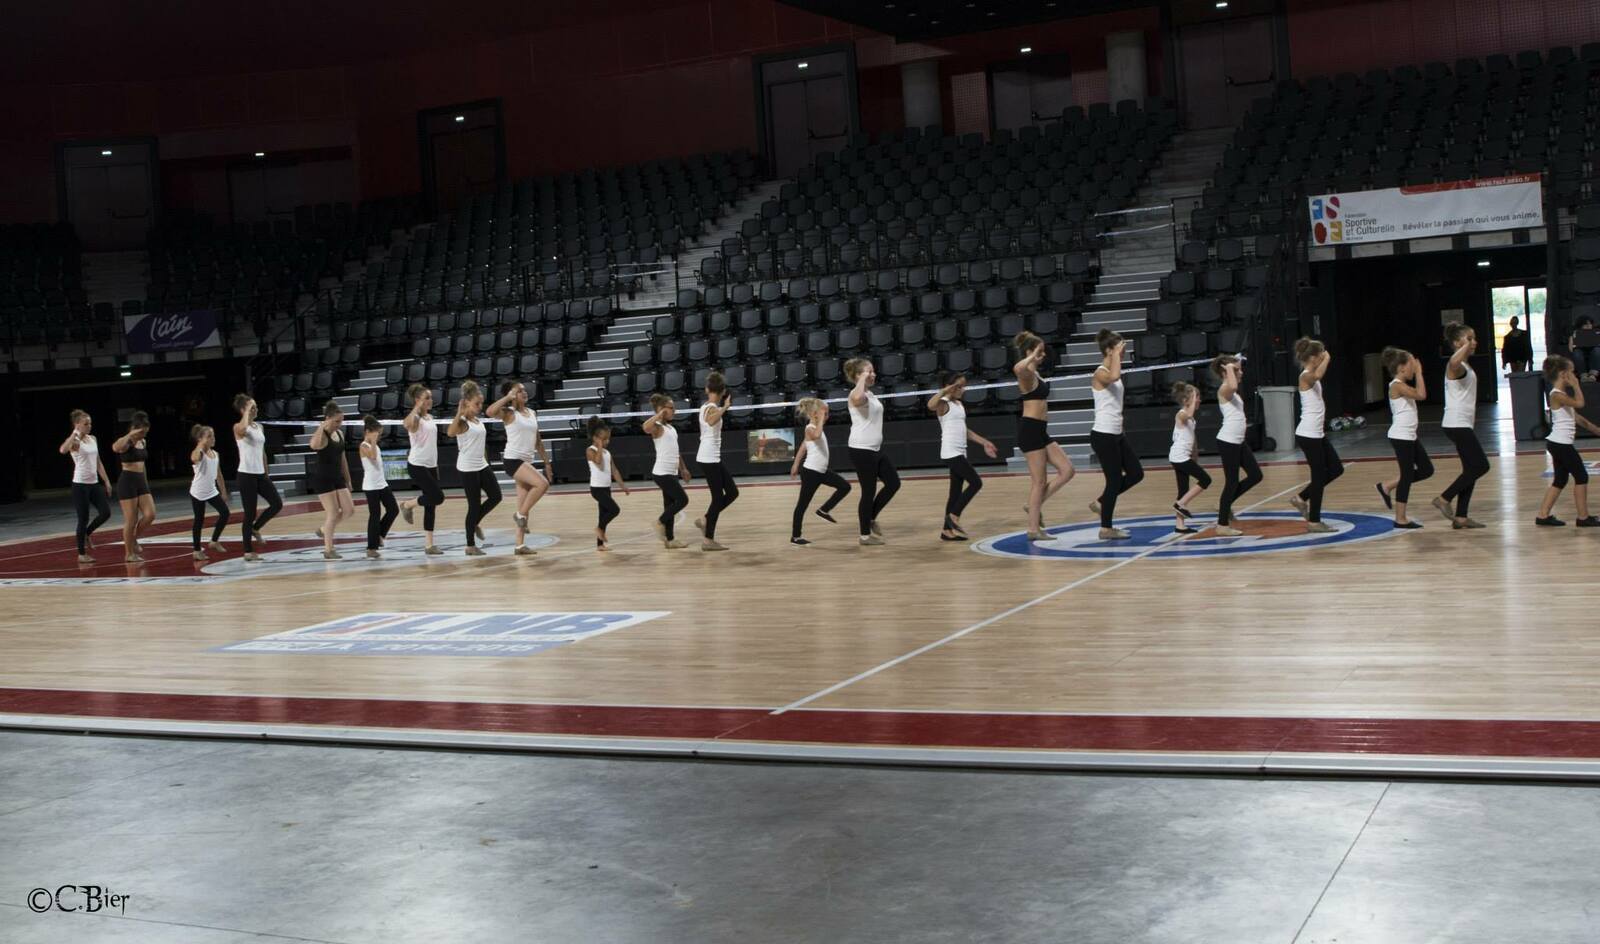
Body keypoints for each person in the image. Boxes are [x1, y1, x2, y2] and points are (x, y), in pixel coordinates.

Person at [1012, 331, 1075, 540]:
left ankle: (1032, 505)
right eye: (1040, 351)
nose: (1043, 354)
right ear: (1029, 352)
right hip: (1030, 430)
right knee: (1039, 482)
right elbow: (1017, 368)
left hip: (1040, 430)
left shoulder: (1035, 373)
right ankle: (1032, 529)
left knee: (1067, 470)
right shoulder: (1026, 373)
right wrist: (1032, 355)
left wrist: (1034, 354)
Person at [927, 372, 998, 541]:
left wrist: (984, 442)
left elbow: (965, 431)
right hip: (950, 452)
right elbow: (930, 405)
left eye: (963, 386)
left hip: (960, 452)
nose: (963, 390)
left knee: (955, 493)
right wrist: (945, 390)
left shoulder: (959, 404)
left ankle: (946, 531)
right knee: (976, 482)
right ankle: (954, 517)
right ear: (949, 387)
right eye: (959, 386)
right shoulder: (943, 403)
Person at [1432, 322, 1489, 529]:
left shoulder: (1465, 365)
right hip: (1456, 424)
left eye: (1474, 339)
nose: (1474, 342)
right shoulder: (1456, 366)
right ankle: (1444, 498)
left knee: (1470, 469)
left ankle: (1461, 517)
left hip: (1461, 423)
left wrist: (1465, 345)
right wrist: (1464, 347)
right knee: (1481, 466)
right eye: (1469, 339)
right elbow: (1453, 361)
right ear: (1457, 343)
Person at [1088, 329, 1142, 540]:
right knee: (1114, 480)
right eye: (1120, 348)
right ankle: (1106, 528)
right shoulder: (1100, 373)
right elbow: (1114, 376)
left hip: (1116, 433)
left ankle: (1101, 502)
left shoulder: (1112, 370)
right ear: (1109, 350)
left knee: (1136, 473)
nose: (1123, 351)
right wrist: (1116, 355)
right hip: (1103, 435)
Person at [1535, 355, 1600, 527]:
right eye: (1572, 372)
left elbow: (1577, 417)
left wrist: (1596, 429)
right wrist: (1577, 385)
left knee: (1560, 480)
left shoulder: (1561, 395)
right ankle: (1583, 517)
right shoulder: (1556, 395)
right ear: (1563, 374)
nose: (1574, 375)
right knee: (1581, 476)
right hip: (1561, 444)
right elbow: (1580, 404)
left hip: (1558, 444)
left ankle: (1542, 516)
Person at [487, 380, 549, 556]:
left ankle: (519, 545)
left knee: (524, 502)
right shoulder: (508, 413)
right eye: (520, 391)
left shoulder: (532, 412)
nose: (524, 392)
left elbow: (538, 441)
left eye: (524, 390)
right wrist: (507, 397)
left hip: (526, 462)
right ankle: (519, 515)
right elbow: (490, 412)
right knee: (542, 484)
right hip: (513, 460)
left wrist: (547, 462)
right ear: (513, 395)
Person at [1376, 347, 1433, 529]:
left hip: (1409, 436)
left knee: (1426, 470)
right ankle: (1400, 518)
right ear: (1401, 367)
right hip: (1401, 436)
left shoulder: (1401, 385)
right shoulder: (1396, 385)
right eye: (1411, 364)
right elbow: (1421, 395)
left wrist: (1416, 371)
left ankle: (1387, 486)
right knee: (1407, 475)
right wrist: (1419, 373)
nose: (1413, 367)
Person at [844, 357, 898, 546]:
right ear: (859, 375)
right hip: (861, 449)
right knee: (868, 492)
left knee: (893, 483)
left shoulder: (870, 394)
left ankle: (870, 517)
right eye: (869, 371)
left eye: (873, 371)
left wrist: (864, 377)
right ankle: (865, 536)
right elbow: (857, 399)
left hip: (875, 449)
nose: (873, 374)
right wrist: (862, 378)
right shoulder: (855, 393)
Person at [1290, 338, 1341, 533]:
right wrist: (1327, 358)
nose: (1323, 356)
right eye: (1321, 354)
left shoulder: (1310, 374)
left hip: (1316, 433)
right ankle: (1314, 521)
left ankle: (1301, 498)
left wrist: (1324, 357)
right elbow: (1318, 375)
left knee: (1336, 469)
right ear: (1313, 357)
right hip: (1308, 434)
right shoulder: (1305, 376)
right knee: (1318, 477)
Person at [1211, 354, 1262, 537]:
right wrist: (1230, 367)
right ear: (1226, 372)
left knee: (1256, 475)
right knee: (1231, 482)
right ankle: (1222, 525)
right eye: (1237, 370)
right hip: (1228, 441)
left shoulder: (1231, 390)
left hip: (1238, 441)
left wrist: (1232, 366)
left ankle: (1223, 504)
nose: (1241, 373)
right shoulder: (1225, 388)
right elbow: (1233, 385)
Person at [789, 397, 851, 546]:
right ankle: (795, 537)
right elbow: (816, 435)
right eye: (824, 413)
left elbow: (803, 447)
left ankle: (824, 510)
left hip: (821, 471)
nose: (827, 416)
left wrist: (795, 464)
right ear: (814, 414)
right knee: (802, 505)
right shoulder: (810, 428)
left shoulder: (816, 428)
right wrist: (796, 465)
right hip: (811, 473)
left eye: (827, 414)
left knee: (845, 487)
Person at [448, 380, 501, 556]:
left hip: (481, 464)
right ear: (467, 403)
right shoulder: (462, 421)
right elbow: (450, 432)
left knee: (496, 496)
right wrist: (459, 412)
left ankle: (474, 522)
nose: (480, 406)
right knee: (474, 505)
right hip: (467, 467)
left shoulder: (477, 420)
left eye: (481, 403)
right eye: (477, 404)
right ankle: (470, 545)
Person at [233, 394, 281, 562]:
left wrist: (266, 472)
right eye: (251, 408)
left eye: (255, 407)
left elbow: (262, 451)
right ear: (243, 410)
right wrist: (246, 413)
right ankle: (248, 551)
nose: (255, 410)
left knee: (277, 504)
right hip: (246, 475)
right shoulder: (238, 427)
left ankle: (256, 528)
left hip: (260, 474)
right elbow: (242, 430)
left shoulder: (259, 426)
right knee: (250, 513)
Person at [693, 372, 738, 551]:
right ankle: (708, 539)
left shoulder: (706, 406)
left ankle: (706, 520)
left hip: (711, 457)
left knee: (732, 493)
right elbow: (711, 421)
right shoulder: (711, 407)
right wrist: (725, 406)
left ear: (707, 389)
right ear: (723, 391)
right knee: (719, 498)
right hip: (708, 457)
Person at [399, 385, 446, 555]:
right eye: (427, 398)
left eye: (430, 397)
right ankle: (407, 505)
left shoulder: (430, 417)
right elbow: (406, 424)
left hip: (431, 465)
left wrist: (436, 466)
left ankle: (429, 545)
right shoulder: (416, 418)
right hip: (417, 465)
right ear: (418, 400)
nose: (430, 400)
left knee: (431, 505)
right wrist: (416, 408)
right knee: (438, 497)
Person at [60, 410, 112, 564]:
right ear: (77, 425)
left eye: (90, 423)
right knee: (83, 518)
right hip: (80, 485)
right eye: (86, 424)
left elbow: (98, 462)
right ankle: (81, 554)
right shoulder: (75, 442)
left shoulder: (92, 439)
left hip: (94, 483)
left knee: (105, 513)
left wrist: (107, 481)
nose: (89, 426)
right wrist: (74, 433)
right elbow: (63, 450)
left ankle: (87, 533)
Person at [643, 393, 692, 548]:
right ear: (661, 409)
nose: (674, 411)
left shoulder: (671, 428)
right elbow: (645, 427)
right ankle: (659, 522)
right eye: (671, 408)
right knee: (683, 500)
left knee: (669, 505)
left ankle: (670, 540)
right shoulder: (657, 427)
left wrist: (683, 468)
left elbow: (676, 451)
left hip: (672, 473)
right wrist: (659, 415)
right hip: (662, 473)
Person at [308, 401, 356, 560]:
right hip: (323, 478)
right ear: (327, 419)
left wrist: (348, 480)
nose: (339, 424)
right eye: (336, 421)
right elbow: (313, 445)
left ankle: (323, 529)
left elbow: (343, 459)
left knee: (349, 510)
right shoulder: (322, 435)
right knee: (333, 513)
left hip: (337, 477)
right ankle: (328, 549)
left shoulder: (340, 433)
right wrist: (322, 427)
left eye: (341, 421)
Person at [111, 411, 156, 563]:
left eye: (146, 432)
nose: (144, 435)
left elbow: (143, 465)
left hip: (140, 481)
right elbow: (115, 447)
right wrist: (130, 435)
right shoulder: (127, 442)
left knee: (150, 514)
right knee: (131, 520)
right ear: (134, 429)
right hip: (127, 481)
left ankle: (134, 538)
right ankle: (129, 554)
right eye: (142, 432)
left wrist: (146, 483)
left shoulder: (143, 442)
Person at [1167, 382, 1210, 535]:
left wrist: (1195, 456)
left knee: (1183, 490)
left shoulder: (1191, 419)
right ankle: (1180, 504)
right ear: (1186, 401)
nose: (1199, 400)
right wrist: (1192, 394)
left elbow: (1193, 438)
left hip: (1182, 457)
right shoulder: (1181, 414)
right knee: (1206, 480)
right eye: (1196, 397)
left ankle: (1180, 525)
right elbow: (1189, 414)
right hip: (1179, 457)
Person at [187, 425, 231, 561]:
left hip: (211, 491)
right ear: (200, 439)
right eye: (209, 436)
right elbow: (194, 458)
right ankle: (196, 551)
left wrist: (223, 491)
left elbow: (219, 474)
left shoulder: (215, 454)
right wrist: (200, 444)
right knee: (199, 520)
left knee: (225, 513)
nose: (213, 438)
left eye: (213, 436)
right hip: (198, 491)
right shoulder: (199, 453)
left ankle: (214, 540)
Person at [358, 415, 399, 560]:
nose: (379, 437)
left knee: (393, 509)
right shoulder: (363, 446)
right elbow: (373, 457)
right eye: (377, 434)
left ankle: (380, 535)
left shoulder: (375, 446)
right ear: (368, 432)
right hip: (371, 486)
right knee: (374, 515)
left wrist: (375, 441)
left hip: (382, 484)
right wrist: (373, 440)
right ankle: (371, 548)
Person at [585, 418, 628, 551]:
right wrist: (599, 446)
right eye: (604, 439)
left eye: (608, 439)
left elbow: (614, 470)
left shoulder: (607, 452)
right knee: (614, 510)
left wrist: (622, 486)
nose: (607, 441)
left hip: (606, 488)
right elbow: (598, 462)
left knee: (602, 514)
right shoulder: (591, 450)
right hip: (596, 489)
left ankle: (600, 545)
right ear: (595, 438)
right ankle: (599, 529)